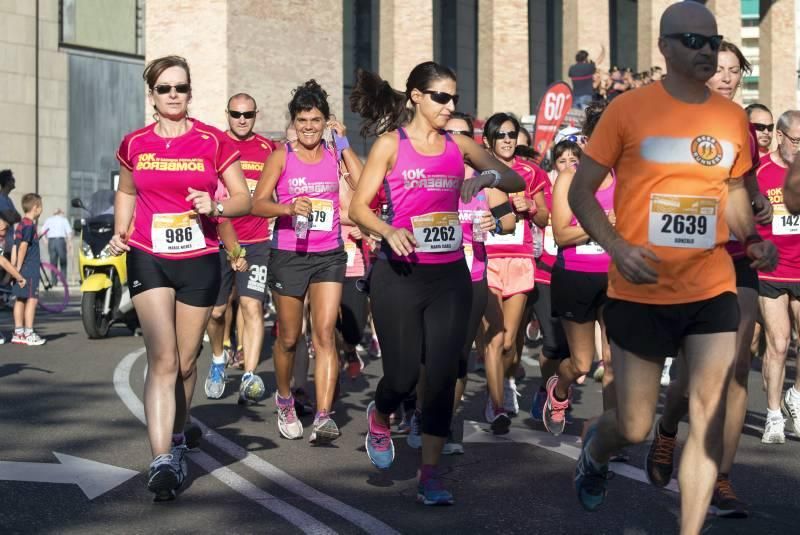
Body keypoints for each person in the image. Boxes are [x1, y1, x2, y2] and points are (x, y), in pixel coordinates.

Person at [567, 4, 777, 533]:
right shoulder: (628, 111)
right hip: (640, 289)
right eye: (693, 41)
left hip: (711, 289)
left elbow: (730, 194)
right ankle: (596, 447)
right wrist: (616, 247)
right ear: (664, 48)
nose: (707, 51)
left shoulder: (731, 117)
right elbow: (581, 192)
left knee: (706, 420)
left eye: (714, 42)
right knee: (634, 426)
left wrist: (751, 239)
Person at [349, 61, 525, 505]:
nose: (450, 106)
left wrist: (483, 177)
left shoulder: (460, 144)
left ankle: (431, 475)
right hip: (400, 272)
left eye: (455, 98)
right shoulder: (391, 144)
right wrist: (388, 230)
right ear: (416, 97)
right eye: (441, 97)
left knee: (444, 375)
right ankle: (382, 412)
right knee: (404, 374)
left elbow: (513, 177)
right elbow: (358, 208)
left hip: (450, 275)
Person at [109, 55, 251, 501]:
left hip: (200, 258)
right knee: (163, 359)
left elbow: (244, 199)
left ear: (190, 92)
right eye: (165, 88)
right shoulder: (135, 143)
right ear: (151, 94)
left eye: (181, 87)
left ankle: (178, 428)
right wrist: (120, 230)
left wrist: (218, 207)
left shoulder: (213, 142)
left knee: (187, 363)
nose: (174, 95)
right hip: (150, 256)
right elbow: (127, 190)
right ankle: (162, 457)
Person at [645, 40, 772, 519]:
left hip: (735, 256)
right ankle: (668, 429)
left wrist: (756, 207)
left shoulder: (742, 126)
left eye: (734, 70)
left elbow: (749, 186)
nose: (725, 76)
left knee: (737, 367)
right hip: (687, 256)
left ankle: (721, 476)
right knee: (689, 376)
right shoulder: (672, 118)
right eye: (717, 68)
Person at [252, 80, 359, 445]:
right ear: (293, 123)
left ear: (326, 121)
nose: (309, 127)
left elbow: (362, 185)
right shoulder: (282, 155)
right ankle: (285, 400)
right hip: (289, 255)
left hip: (329, 254)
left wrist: (344, 145)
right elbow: (257, 202)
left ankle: (325, 416)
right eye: (302, 120)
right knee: (288, 338)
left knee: (325, 333)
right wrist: (286, 207)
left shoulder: (334, 153)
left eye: (315, 120)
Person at [543, 101, 615, 435]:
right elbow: (560, 233)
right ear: (586, 141)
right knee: (582, 363)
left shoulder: (621, 178)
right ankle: (559, 391)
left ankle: (610, 431)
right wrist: (599, 224)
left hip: (616, 277)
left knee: (614, 363)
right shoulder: (569, 179)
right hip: (575, 277)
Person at [204, 93, 276, 402]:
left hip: (258, 241)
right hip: (219, 239)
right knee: (218, 312)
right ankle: (218, 360)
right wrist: (232, 251)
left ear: (256, 115)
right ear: (228, 114)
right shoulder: (216, 144)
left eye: (247, 114)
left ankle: (249, 374)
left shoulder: (268, 149)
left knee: (252, 307)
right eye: (236, 114)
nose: (242, 119)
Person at [482, 112, 549, 430]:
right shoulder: (478, 171)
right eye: (501, 135)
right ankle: (496, 405)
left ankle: (503, 381)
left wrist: (530, 208)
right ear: (489, 141)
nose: (508, 140)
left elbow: (544, 218)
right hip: (488, 260)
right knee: (494, 337)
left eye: (512, 134)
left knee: (510, 341)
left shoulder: (531, 173)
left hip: (521, 261)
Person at [753, 110, 800, 445]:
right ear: (781, 137)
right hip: (772, 268)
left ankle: (794, 396)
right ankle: (773, 416)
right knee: (779, 343)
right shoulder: (759, 171)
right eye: (796, 140)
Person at [530, 139, 578, 421]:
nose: (569, 166)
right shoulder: (545, 191)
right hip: (545, 274)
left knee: (571, 348)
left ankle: (559, 389)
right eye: (563, 161)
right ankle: (543, 389)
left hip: (575, 273)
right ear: (553, 164)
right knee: (551, 345)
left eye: (574, 160)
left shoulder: (586, 192)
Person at [11, 193, 44, 346]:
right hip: (29, 270)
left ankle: (18, 332)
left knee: (20, 299)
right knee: (32, 299)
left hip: (20, 269)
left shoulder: (21, 224)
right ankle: (29, 332)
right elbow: (23, 247)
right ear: (35, 208)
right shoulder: (30, 225)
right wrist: (18, 268)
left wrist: (13, 270)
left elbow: (15, 247)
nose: (41, 209)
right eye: (41, 206)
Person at [41, 208, 73, 285]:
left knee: (53, 262)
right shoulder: (63, 220)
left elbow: (42, 231)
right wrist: (69, 243)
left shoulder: (48, 220)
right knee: (63, 262)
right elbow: (69, 232)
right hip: (60, 241)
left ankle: (54, 281)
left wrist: (45, 240)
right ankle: (63, 281)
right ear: (60, 213)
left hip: (51, 241)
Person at [0, 170, 20, 255]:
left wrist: (12, 216)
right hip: (2, 245)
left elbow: (19, 217)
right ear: (7, 181)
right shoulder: (1, 199)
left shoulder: (8, 200)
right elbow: (11, 218)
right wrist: (12, 215)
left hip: (8, 245)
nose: (14, 180)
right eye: (12, 179)